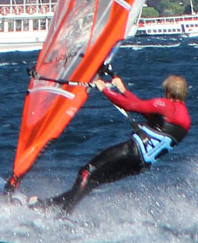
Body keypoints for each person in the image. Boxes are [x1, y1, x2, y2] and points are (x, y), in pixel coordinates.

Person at [46, 66, 190, 213]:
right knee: (92, 182)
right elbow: (142, 108)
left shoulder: (166, 105)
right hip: (139, 166)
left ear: (168, 92)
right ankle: (48, 205)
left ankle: (63, 216)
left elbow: (129, 106)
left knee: (86, 173)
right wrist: (123, 90)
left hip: (131, 151)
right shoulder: (184, 119)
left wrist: (103, 88)